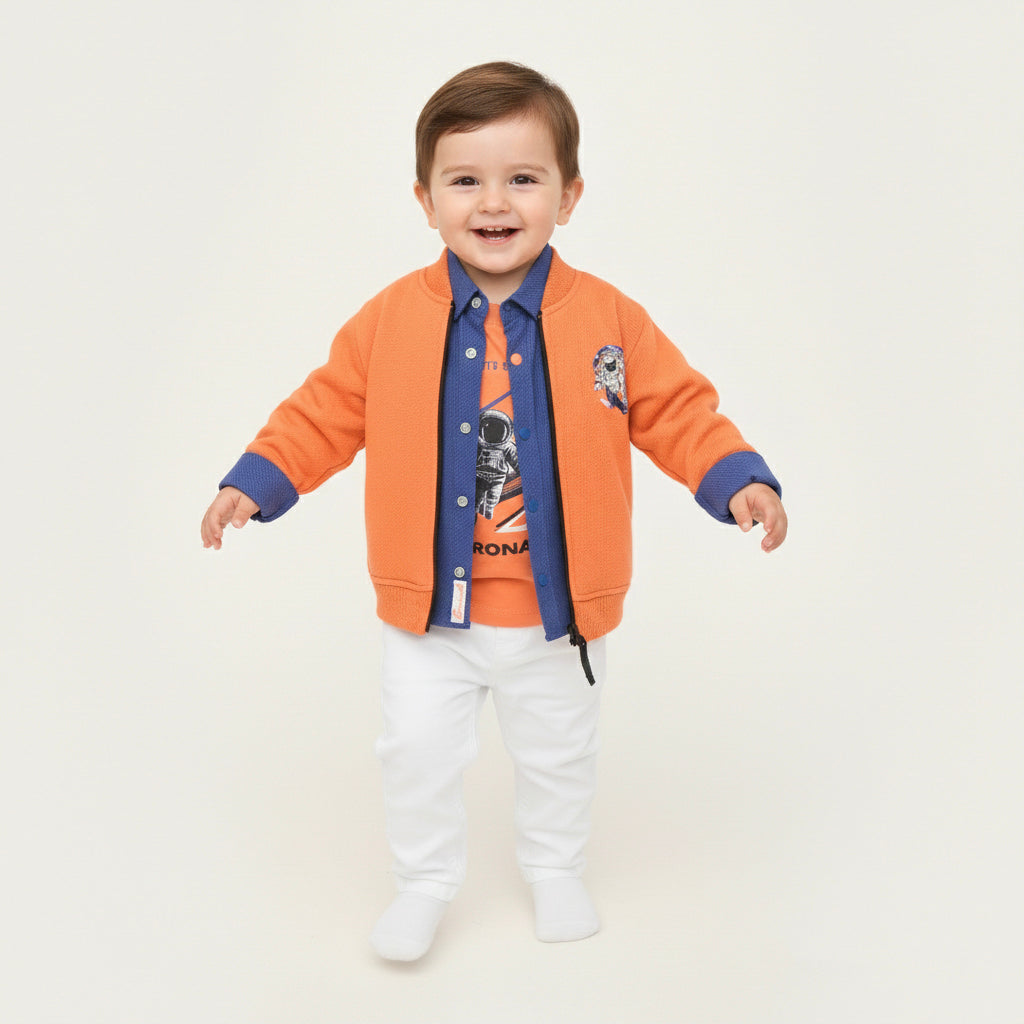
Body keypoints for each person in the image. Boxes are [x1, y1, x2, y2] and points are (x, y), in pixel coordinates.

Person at [200, 61, 788, 962]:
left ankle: (554, 868)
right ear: (426, 199)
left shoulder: (609, 319)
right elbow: (324, 410)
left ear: (569, 195)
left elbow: (676, 408)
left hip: (559, 615)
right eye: (465, 180)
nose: (494, 203)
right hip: (429, 615)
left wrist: (736, 478)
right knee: (415, 754)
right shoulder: (391, 320)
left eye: (523, 178)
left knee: (559, 755)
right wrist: (259, 478)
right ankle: (424, 883)